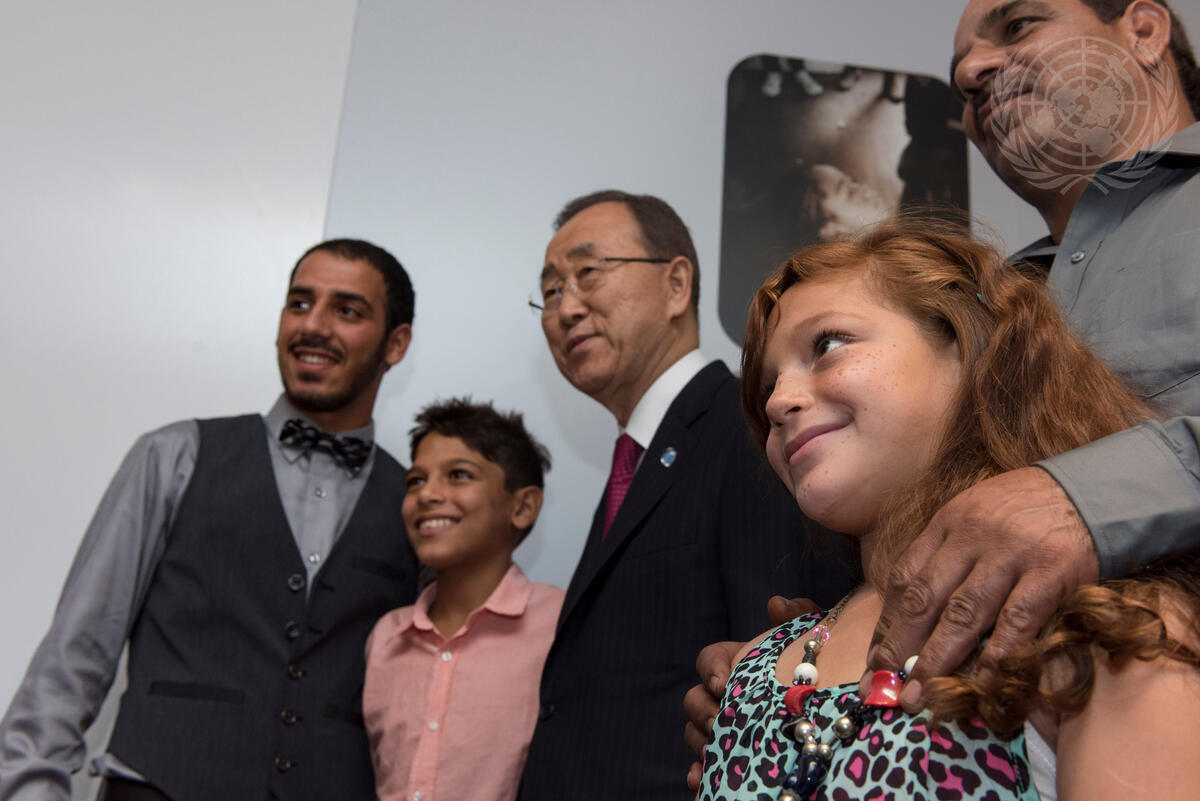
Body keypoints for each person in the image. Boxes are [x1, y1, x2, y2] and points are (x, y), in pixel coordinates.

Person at [686, 4, 1200, 773]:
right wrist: (817, 671)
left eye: (1017, 24)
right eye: (961, 72)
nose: (970, 72)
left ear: (1145, 30)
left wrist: (1085, 499)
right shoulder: (1003, 293)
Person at [700, 219, 1200, 800]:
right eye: (767, 388)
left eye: (828, 345)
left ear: (971, 345)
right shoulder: (754, 667)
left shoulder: (1109, 629)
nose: (778, 402)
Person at [0, 239, 419, 801]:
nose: (313, 326)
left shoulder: (416, 504)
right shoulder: (174, 455)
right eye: (299, 303)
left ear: (396, 343)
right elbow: (75, 655)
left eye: (346, 310)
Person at [518, 190, 856, 800]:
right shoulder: (639, 459)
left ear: (677, 284)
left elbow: (775, 662)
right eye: (550, 290)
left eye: (588, 272)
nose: (566, 307)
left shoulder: (752, 430)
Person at [363, 398, 563, 801]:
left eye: (458, 475)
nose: (427, 494)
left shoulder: (560, 626)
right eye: (415, 480)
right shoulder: (386, 637)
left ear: (523, 506)